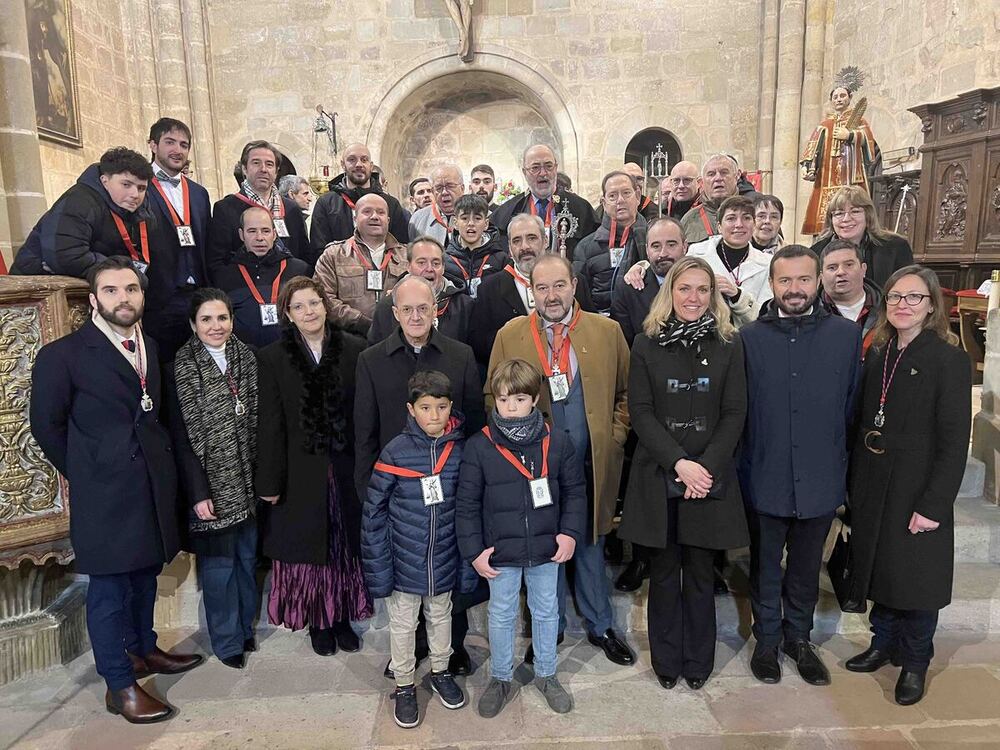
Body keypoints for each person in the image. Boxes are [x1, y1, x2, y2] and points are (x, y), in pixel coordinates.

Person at [29, 256, 202, 723]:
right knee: (108, 589)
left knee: (146, 574)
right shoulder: (62, 356)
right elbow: (46, 426)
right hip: (104, 491)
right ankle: (119, 684)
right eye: (111, 290)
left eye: (131, 289)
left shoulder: (152, 344)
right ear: (93, 300)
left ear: (142, 296)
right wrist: (88, 469)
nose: (123, 298)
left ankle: (144, 649)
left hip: (151, 484)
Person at [487, 254, 633, 666]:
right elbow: (492, 397)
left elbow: (627, 394)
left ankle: (601, 624)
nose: (551, 296)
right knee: (542, 543)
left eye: (559, 285)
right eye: (542, 288)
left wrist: (614, 435)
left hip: (590, 460)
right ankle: (547, 629)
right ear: (531, 291)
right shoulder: (510, 335)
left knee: (589, 539)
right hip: (534, 468)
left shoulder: (607, 331)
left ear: (574, 284)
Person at [618, 255, 749, 690]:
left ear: (714, 296)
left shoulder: (729, 343)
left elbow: (734, 413)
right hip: (660, 473)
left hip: (707, 480)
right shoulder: (646, 343)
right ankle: (667, 660)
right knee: (663, 571)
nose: (693, 298)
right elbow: (641, 411)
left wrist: (703, 469)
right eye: (684, 289)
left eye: (703, 290)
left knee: (699, 573)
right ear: (669, 292)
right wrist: (679, 463)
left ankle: (698, 661)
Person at [845, 265, 971, 706]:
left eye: (913, 298)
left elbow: (955, 441)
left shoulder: (947, 358)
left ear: (931, 305)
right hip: (876, 478)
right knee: (882, 566)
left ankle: (915, 660)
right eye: (896, 297)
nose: (902, 305)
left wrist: (934, 504)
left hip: (917, 484)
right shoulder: (880, 352)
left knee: (916, 576)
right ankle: (883, 643)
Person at [738, 245, 861, 687]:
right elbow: (741, 412)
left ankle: (799, 640)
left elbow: (851, 409)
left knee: (808, 569)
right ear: (771, 284)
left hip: (820, 476)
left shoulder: (844, 337)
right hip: (765, 473)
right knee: (766, 567)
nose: (794, 289)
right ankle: (767, 641)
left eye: (803, 279)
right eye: (785, 280)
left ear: (818, 282)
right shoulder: (749, 339)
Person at [355, 275, 486, 673]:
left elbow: (476, 425)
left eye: (423, 308)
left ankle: (452, 648)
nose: (416, 315)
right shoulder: (372, 359)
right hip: (399, 496)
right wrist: (368, 492)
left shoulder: (460, 356)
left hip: (450, 487)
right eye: (407, 309)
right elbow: (365, 431)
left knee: (449, 572)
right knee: (406, 587)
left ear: (436, 310)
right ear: (394, 313)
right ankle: (407, 655)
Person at [457, 358, 587, 717]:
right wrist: (474, 552)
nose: (510, 408)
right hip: (500, 550)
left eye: (518, 399)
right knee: (500, 614)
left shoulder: (556, 441)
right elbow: (466, 505)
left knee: (546, 611)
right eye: (502, 400)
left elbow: (575, 491)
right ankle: (500, 677)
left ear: (534, 399)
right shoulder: (480, 446)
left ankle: (546, 673)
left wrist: (570, 534)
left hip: (547, 546)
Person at [256, 276, 374, 656]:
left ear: (326, 305)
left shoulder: (355, 350)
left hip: (344, 467)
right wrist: (269, 481)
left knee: (343, 547)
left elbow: (363, 415)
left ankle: (342, 619)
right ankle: (319, 623)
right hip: (299, 472)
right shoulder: (272, 357)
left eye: (314, 303)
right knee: (310, 551)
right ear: (288, 315)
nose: (309, 312)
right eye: (299, 306)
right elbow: (270, 423)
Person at [363, 370, 471, 728]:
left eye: (441, 407)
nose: (434, 415)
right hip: (403, 561)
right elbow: (374, 512)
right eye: (425, 407)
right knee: (404, 623)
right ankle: (405, 684)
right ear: (411, 409)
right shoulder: (394, 451)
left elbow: (469, 506)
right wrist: (379, 565)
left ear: (450, 407)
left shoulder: (460, 450)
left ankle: (440, 671)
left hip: (443, 559)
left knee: (441, 617)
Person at [168, 288, 259, 670]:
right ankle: (226, 640)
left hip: (247, 478)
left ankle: (245, 626)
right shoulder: (184, 364)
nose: (215, 326)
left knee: (247, 558)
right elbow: (181, 435)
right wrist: (198, 492)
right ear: (193, 324)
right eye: (206, 319)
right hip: (210, 485)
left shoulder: (246, 356)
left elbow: (258, 416)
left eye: (222, 318)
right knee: (219, 568)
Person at [469, 214, 594, 367]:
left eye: (532, 238)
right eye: (517, 241)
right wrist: (509, 336)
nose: (524, 247)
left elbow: (590, 330)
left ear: (545, 241)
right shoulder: (489, 289)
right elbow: (479, 345)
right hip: (518, 381)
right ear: (509, 248)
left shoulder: (574, 281)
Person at [11, 147, 155, 278]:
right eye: (126, 184)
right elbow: (67, 256)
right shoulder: (79, 201)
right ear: (105, 181)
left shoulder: (141, 211)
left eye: (141, 188)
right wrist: (125, 272)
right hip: (35, 290)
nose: (135, 194)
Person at [144, 117, 212, 359]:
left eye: (184, 145)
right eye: (170, 142)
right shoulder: (140, 189)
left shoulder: (199, 193)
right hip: (159, 298)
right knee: (165, 369)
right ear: (153, 145)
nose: (178, 150)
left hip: (197, 297)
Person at [206, 140, 311, 277]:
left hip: (288, 289)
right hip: (245, 290)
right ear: (244, 168)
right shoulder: (225, 208)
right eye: (256, 163)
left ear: (276, 171)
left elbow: (304, 253)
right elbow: (217, 261)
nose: (263, 169)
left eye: (269, 164)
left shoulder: (291, 208)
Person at [213, 207, 311, 349]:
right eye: (252, 231)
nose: (260, 237)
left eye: (265, 231)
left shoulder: (299, 270)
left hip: (293, 356)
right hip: (245, 359)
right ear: (241, 235)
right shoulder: (224, 276)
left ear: (274, 234)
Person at [312, 193, 408, 335]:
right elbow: (324, 297)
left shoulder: (408, 256)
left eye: (380, 212)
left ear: (388, 220)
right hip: (348, 339)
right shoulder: (333, 255)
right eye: (367, 211)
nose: (374, 216)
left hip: (397, 336)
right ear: (355, 219)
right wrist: (362, 323)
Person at [491, 144, 598, 258]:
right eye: (535, 168)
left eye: (548, 166)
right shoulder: (508, 211)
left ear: (556, 168)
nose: (543, 173)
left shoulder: (581, 208)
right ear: (524, 172)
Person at [800, 84, 879, 235]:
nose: (839, 99)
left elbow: (868, 140)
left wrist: (850, 135)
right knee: (823, 223)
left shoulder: (859, 121)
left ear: (849, 98)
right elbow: (813, 147)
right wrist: (806, 167)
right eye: (835, 97)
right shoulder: (825, 125)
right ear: (831, 101)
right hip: (826, 179)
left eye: (842, 96)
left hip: (850, 177)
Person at [368, 237, 474, 345]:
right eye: (421, 263)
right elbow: (375, 355)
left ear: (443, 268)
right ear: (408, 266)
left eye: (436, 263)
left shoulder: (465, 306)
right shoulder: (388, 305)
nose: (429, 268)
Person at [687, 195, 773, 327]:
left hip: (749, 340)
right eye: (731, 218)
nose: (739, 224)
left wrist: (738, 296)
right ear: (719, 226)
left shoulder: (767, 263)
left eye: (746, 218)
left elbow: (767, 315)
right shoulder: (696, 254)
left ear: (754, 224)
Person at [310, 143, 410, 254]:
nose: (358, 164)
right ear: (343, 164)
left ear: (371, 166)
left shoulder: (390, 204)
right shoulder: (326, 203)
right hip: (339, 269)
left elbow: (401, 247)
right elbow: (318, 248)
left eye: (364, 160)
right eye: (352, 159)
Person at [574, 170, 649, 315]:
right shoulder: (585, 247)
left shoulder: (654, 240)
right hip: (602, 326)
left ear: (638, 196)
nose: (620, 200)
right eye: (613, 196)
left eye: (626, 193)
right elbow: (581, 297)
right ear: (604, 202)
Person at [810, 185, 913, 290]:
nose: (846, 219)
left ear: (868, 215)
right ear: (831, 219)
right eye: (839, 213)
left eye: (855, 211)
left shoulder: (896, 247)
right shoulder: (815, 252)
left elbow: (907, 289)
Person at [610, 217, 688, 346]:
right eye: (656, 246)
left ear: (685, 246)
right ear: (647, 250)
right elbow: (623, 345)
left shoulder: (702, 285)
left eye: (671, 244)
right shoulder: (628, 290)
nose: (663, 253)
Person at [819, 238, 883, 348]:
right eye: (832, 268)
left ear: (863, 269)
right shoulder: (810, 314)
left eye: (849, 265)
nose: (841, 272)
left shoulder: (887, 310)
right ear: (821, 276)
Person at [443, 194, 508, 297]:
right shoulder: (445, 261)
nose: (471, 223)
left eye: (477, 218)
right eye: (464, 218)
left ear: (486, 224)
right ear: (455, 223)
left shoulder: (501, 259)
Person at [680, 155, 741, 244]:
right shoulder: (689, 220)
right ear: (702, 181)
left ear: (736, 177)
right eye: (711, 174)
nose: (718, 178)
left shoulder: (751, 214)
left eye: (724, 172)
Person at [409, 165, 465, 246]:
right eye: (439, 188)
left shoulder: (480, 216)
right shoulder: (417, 219)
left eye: (450, 186)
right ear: (433, 191)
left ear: (462, 188)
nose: (444, 192)